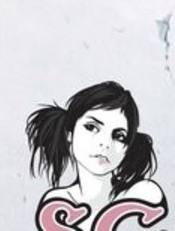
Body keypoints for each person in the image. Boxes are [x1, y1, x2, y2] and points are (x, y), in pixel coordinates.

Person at [27, 81, 166, 229]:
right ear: (69, 133)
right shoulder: (56, 203)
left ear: (127, 148)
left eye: (119, 136)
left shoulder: (143, 193)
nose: (105, 144)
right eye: (91, 127)